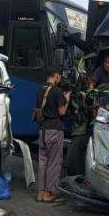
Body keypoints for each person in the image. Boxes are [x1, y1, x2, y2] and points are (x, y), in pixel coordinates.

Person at [36, 69, 71, 203]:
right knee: (54, 163)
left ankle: (41, 192)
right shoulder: (57, 91)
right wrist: (66, 99)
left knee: (43, 161)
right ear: (55, 75)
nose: (60, 79)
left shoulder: (39, 90)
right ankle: (50, 193)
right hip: (54, 130)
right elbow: (62, 112)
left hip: (42, 130)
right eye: (59, 77)